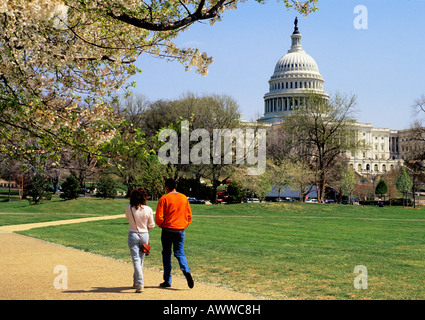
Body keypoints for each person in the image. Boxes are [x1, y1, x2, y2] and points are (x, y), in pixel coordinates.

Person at [155, 178, 194, 289]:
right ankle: (186, 271)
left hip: (167, 229)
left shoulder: (164, 198)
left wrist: (161, 224)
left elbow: (159, 216)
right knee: (179, 252)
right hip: (180, 229)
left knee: (166, 254)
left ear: (167, 187)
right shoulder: (183, 198)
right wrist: (184, 225)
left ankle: (167, 280)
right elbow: (189, 215)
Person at [125, 188, 155, 293]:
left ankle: (139, 283)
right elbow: (151, 225)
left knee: (136, 260)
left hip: (133, 233)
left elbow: (128, 218)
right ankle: (136, 282)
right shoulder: (148, 209)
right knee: (140, 261)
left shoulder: (128, 207)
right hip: (144, 235)